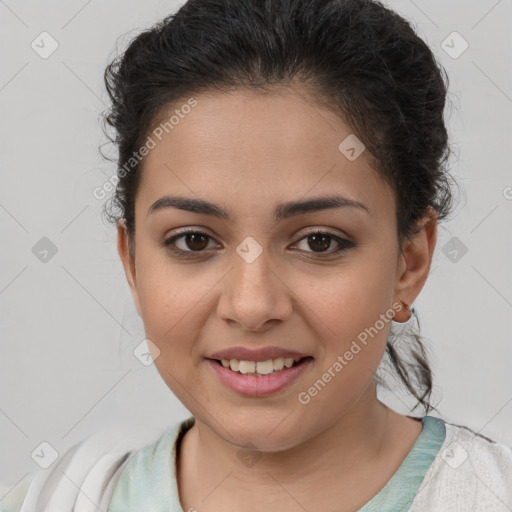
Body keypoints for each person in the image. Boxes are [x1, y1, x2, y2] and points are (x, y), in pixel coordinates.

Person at [2, 0, 511, 510]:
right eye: (194, 240)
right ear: (133, 263)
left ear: (410, 261)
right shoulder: (56, 500)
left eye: (319, 241)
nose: (250, 306)